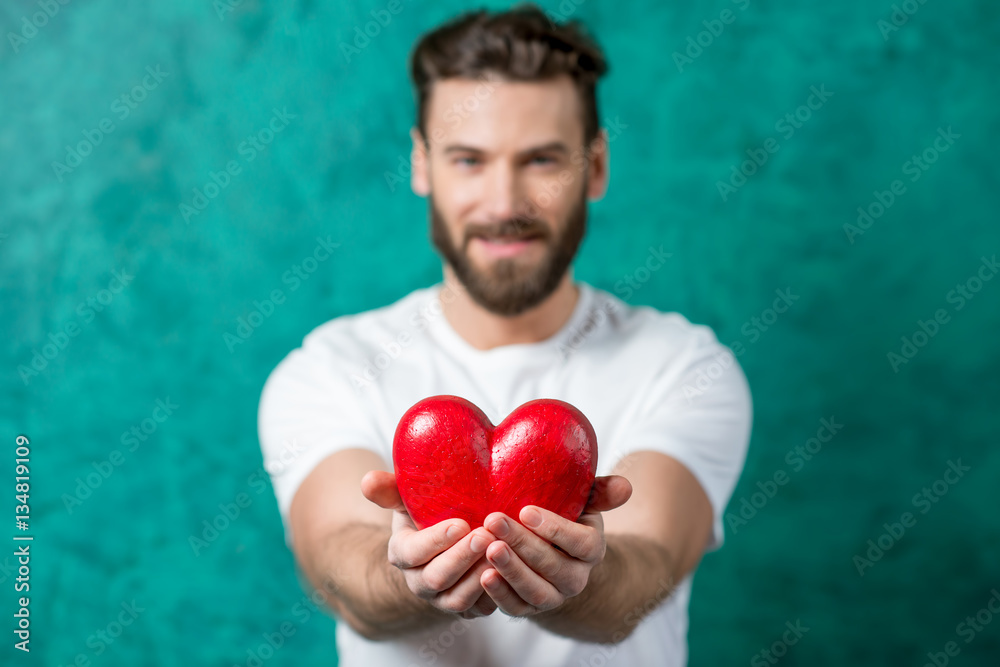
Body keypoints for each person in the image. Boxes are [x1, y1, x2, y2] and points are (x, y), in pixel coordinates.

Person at [257, 5, 752, 665]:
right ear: (422, 165)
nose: (503, 202)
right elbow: (339, 562)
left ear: (596, 167)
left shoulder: (686, 365)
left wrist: (579, 577)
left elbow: (645, 570)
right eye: (468, 159)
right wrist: (406, 571)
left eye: (542, 159)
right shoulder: (328, 367)